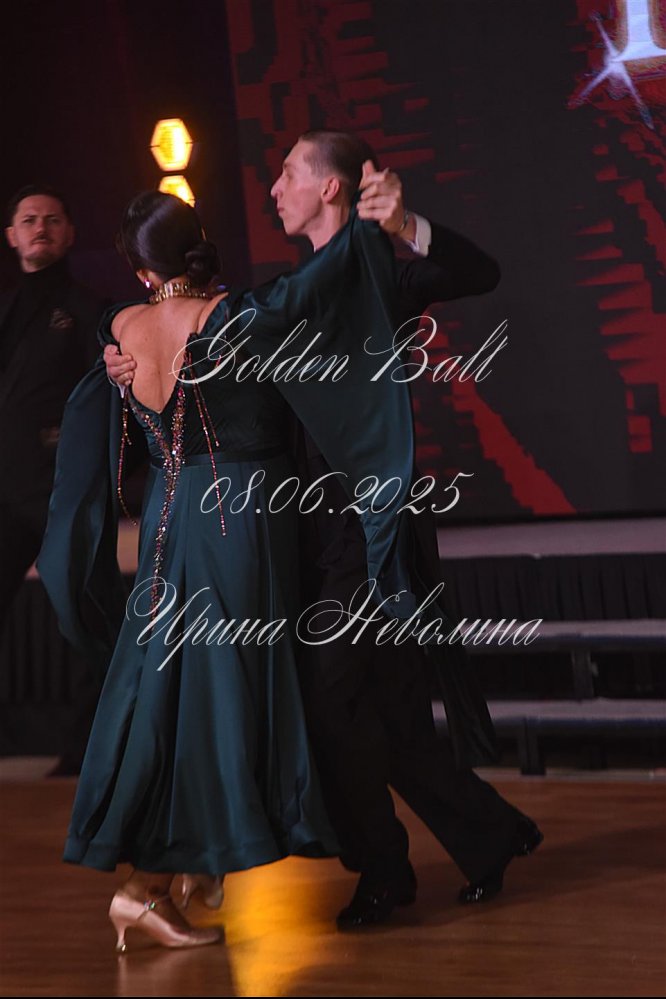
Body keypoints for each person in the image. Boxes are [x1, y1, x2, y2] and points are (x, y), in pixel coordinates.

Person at [107, 132, 544, 930]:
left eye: (288, 174)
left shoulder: (378, 270)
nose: (273, 187)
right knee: (387, 705)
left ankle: (384, 870)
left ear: (331, 189)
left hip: (369, 526)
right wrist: (130, 367)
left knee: (332, 701)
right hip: (303, 530)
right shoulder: (277, 293)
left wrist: (406, 225)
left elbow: (476, 272)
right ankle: (487, 833)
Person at [38, 187, 418, 949]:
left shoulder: (120, 328)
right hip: (237, 520)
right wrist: (371, 226)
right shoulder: (232, 315)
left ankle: (184, 869)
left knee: (177, 696)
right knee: (224, 700)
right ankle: (152, 881)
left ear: (140, 270)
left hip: (167, 523)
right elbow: (313, 290)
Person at [0, 184, 105, 774]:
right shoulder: (5, 310)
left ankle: (88, 751)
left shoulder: (90, 310)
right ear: (11, 236)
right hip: (4, 492)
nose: (40, 227)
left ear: (69, 234)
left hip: (60, 492)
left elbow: (112, 399)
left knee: (83, 618)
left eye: (52, 219)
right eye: (28, 219)